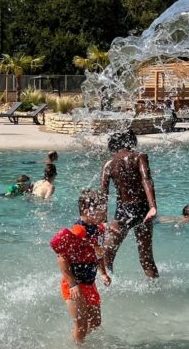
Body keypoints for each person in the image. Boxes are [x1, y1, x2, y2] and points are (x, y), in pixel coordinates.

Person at [50, 188, 111, 344]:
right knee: (81, 325)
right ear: (85, 210)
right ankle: (79, 343)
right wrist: (73, 284)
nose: (104, 213)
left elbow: (98, 254)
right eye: (100, 209)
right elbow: (61, 258)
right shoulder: (78, 231)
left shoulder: (98, 229)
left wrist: (103, 272)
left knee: (95, 323)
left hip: (90, 284)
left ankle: (79, 340)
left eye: (104, 208)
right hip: (74, 286)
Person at [101, 130, 159, 278]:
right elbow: (146, 180)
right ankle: (156, 291)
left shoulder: (108, 164)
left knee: (107, 255)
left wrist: (102, 221)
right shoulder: (139, 156)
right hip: (143, 209)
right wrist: (152, 207)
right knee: (146, 257)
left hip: (123, 211)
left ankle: (108, 285)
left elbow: (104, 195)